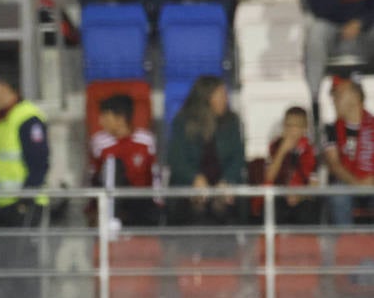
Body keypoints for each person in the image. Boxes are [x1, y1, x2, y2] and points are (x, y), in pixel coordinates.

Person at [167, 76, 246, 226]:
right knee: (197, 210)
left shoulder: (232, 121)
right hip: (190, 186)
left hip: (222, 184)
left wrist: (227, 180)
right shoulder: (182, 121)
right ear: (206, 97)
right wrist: (194, 179)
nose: (226, 99)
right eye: (221, 94)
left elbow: (238, 157)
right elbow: (176, 159)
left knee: (223, 208)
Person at [0, 65, 49, 228]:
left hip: (24, 207)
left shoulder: (27, 117)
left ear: (2, 86)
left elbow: (39, 165)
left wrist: (24, 202)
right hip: (1, 205)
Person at [89, 93, 159, 228]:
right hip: (113, 204)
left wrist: (159, 204)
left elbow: (154, 175)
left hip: (142, 203)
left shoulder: (145, 140)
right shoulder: (99, 142)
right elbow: (94, 177)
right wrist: (92, 210)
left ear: (120, 119)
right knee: (114, 166)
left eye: (105, 116)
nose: (100, 121)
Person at [323, 78, 374, 224]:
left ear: (355, 96)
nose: (333, 100)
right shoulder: (331, 129)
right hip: (347, 183)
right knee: (338, 193)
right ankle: (346, 243)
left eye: (338, 95)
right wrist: (356, 183)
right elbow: (334, 164)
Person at [262, 106, 321, 225]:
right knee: (271, 209)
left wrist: (300, 196)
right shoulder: (275, 146)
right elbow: (269, 177)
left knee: (308, 210)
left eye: (296, 126)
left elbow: (314, 184)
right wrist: (282, 151)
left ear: (304, 128)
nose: (291, 130)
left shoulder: (311, 150)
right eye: (288, 125)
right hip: (280, 196)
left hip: (303, 198)